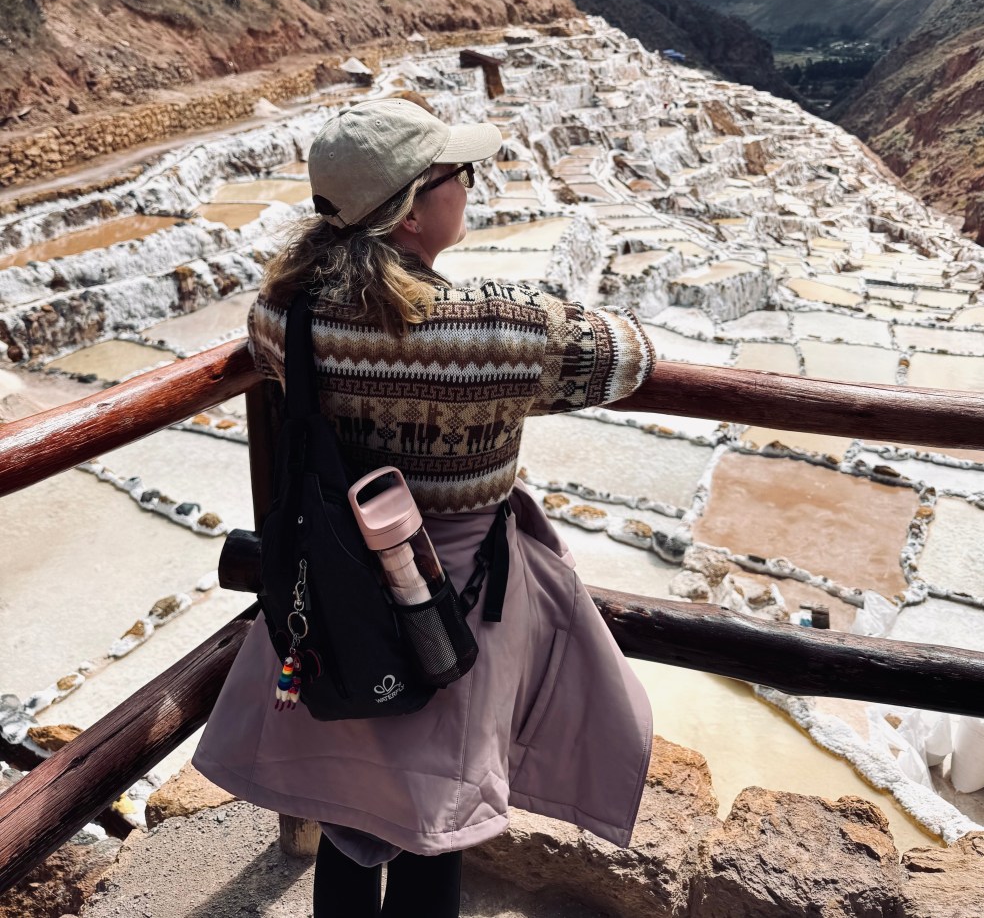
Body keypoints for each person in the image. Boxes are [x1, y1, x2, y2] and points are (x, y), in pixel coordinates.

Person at [194, 97, 657, 918]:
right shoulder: (499, 331)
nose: (469, 186)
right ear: (411, 210)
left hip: (339, 599)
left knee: (348, 809)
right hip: (458, 606)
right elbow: (628, 356)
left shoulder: (283, 319)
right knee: (432, 819)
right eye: (456, 174)